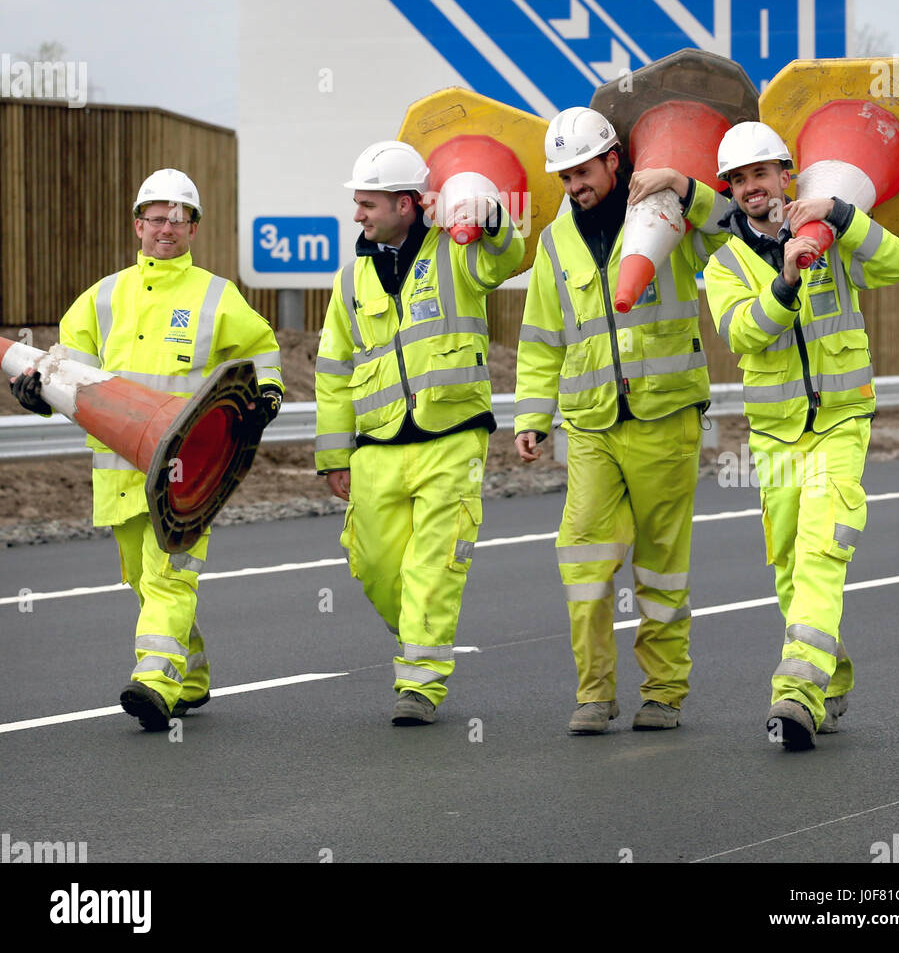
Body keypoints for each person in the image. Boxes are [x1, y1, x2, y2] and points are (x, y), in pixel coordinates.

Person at [9, 168, 283, 732]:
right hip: (118, 472)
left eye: (178, 220)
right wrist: (35, 393)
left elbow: (262, 350)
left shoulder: (216, 295)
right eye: (156, 219)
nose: (166, 229)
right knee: (140, 579)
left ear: (194, 228)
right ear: (138, 225)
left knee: (169, 577)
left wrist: (269, 393)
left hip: (189, 474)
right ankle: (193, 674)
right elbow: (65, 374)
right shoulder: (102, 298)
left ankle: (155, 682)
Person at [514, 106, 729, 735]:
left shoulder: (669, 213)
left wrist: (684, 185)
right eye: (565, 178)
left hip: (665, 417)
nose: (575, 186)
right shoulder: (555, 244)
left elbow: (736, 226)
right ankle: (594, 693)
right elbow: (541, 338)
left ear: (614, 160)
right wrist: (533, 414)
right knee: (583, 559)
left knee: (662, 563)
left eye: (583, 171)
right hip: (590, 426)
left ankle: (663, 691)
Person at [703, 122, 899, 750]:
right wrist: (786, 282)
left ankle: (794, 693)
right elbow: (743, 334)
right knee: (792, 563)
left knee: (824, 546)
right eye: (737, 180)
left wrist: (843, 215)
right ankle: (831, 674)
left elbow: (896, 263)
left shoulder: (833, 234)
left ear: (785, 175)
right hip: (776, 434)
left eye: (760, 174)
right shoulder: (722, 264)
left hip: (843, 420)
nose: (749, 188)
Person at [315, 140, 524, 725]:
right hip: (378, 443)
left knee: (433, 563)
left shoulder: (459, 251)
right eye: (357, 203)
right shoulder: (350, 279)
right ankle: (416, 631)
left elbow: (503, 257)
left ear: (408, 204)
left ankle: (420, 685)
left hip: (453, 434)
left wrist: (492, 216)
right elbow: (333, 370)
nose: (358, 215)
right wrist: (334, 454)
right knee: (375, 565)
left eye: (369, 204)